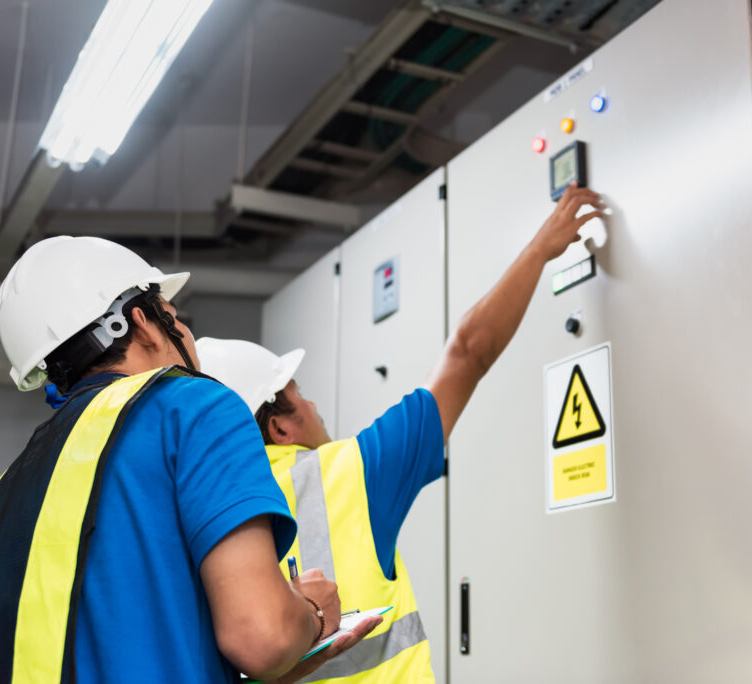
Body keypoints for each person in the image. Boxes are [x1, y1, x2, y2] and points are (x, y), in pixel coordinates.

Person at [0, 235, 380, 684]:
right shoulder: (190, 406)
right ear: (141, 321)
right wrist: (311, 614)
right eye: (174, 315)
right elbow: (263, 636)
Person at [195, 183, 605, 682]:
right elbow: (469, 352)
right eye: (300, 393)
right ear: (279, 425)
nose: (316, 404)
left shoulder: (197, 513)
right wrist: (542, 248)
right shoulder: (352, 472)